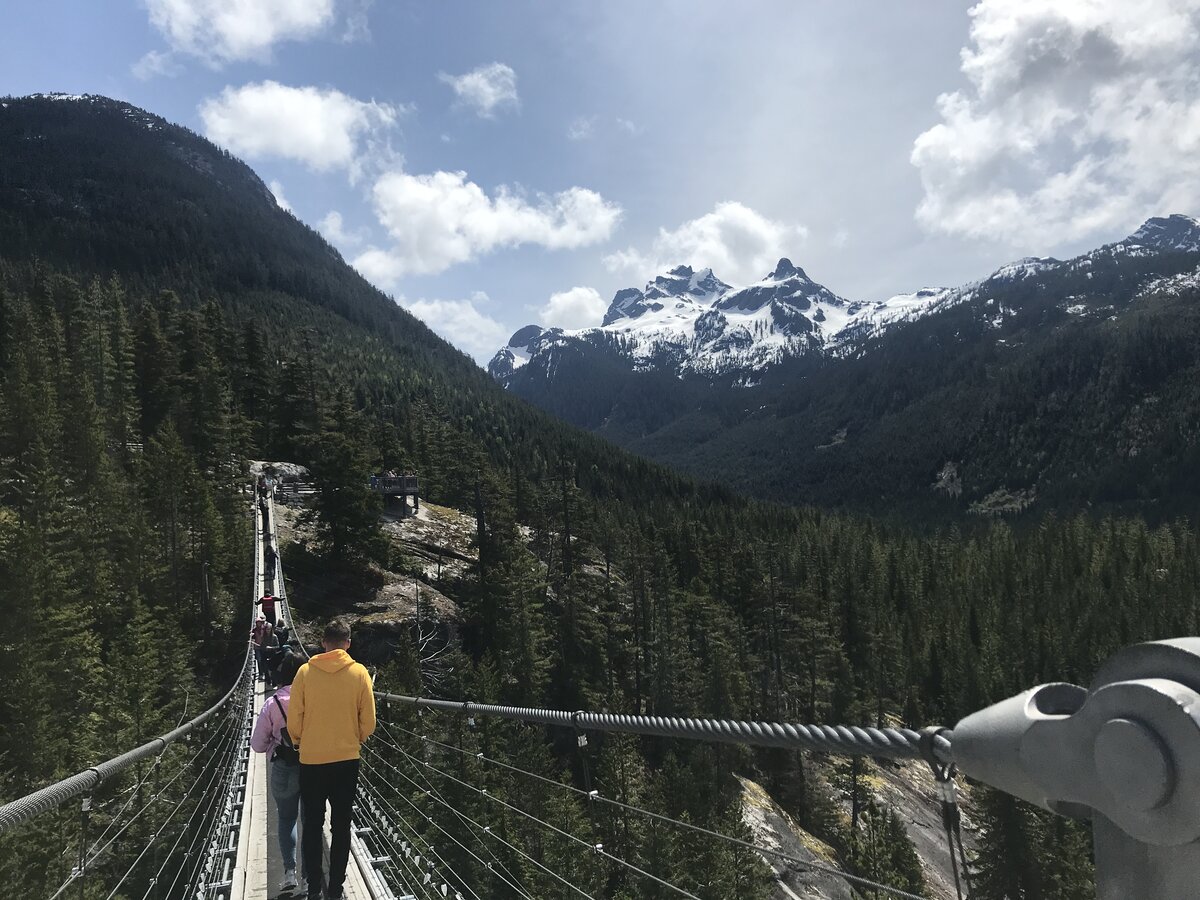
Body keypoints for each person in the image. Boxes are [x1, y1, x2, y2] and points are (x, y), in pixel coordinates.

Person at [289, 619, 376, 900]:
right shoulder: (360, 673)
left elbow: (294, 719)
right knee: (341, 825)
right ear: (347, 643)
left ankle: (313, 888)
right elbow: (369, 721)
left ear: (324, 642)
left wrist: (300, 742)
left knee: (312, 826)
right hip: (346, 761)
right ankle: (336, 890)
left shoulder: (304, 673)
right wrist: (355, 740)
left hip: (312, 761)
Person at [250, 651, 307, 895]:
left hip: (283, 768)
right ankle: (308, 877)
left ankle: (289, 873)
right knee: (311, 820)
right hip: (311, 766)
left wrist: (276, 740)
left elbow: (257, 745)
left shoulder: (272, 704)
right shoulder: (313, 699)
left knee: (286, 819)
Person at [251, 616, 268, 682]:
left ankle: (265, 673)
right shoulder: (254, 630)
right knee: (259, 660)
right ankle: (261, 673)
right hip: (257, 647)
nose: (259, 624)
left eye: (260, 622)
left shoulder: (265, 629)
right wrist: (251, 636)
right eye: (257, 622)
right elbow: (252, 637)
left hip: (263, 647)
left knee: (264, 660)